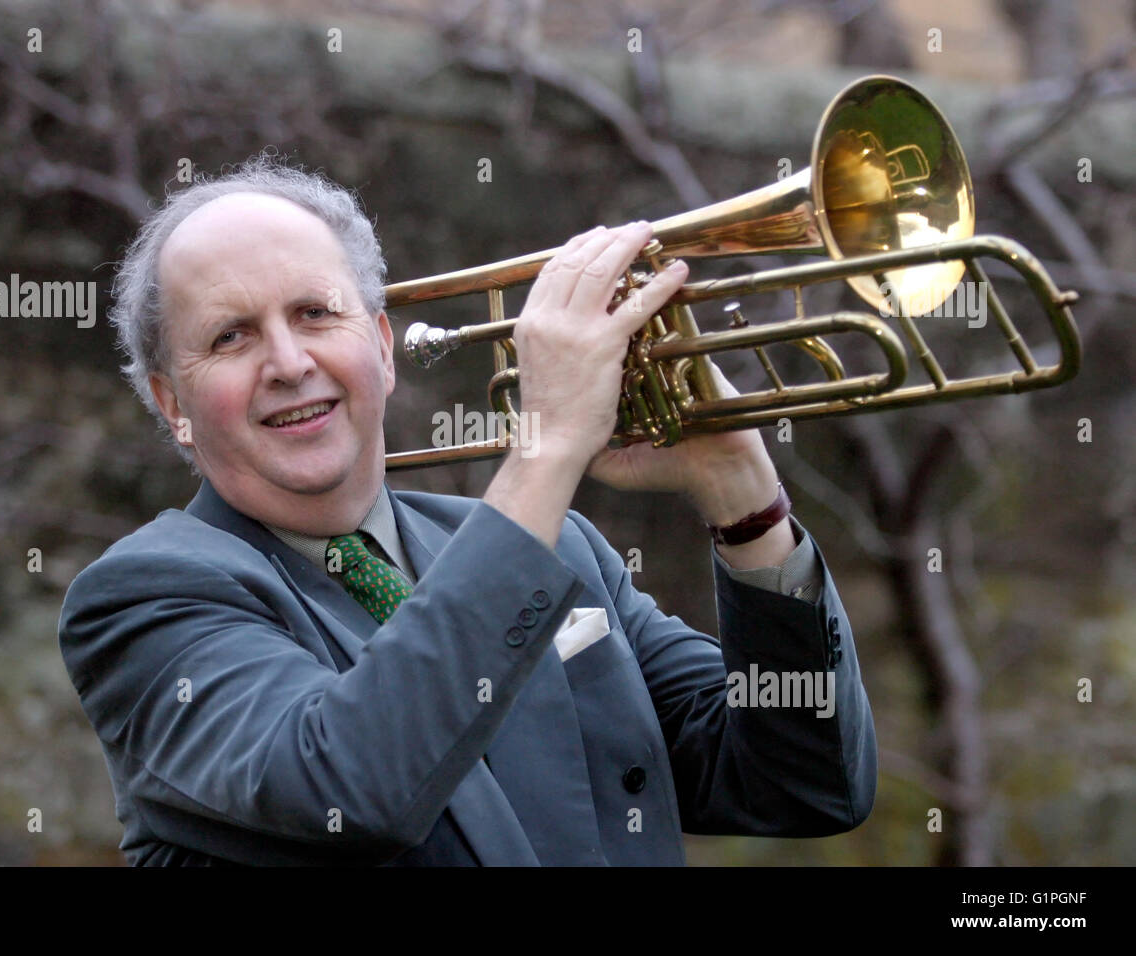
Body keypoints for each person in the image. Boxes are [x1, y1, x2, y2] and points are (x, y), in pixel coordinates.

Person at [58, 154, 876, 866]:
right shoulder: (145, 599)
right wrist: (547, 449)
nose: (288, 361)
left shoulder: (564, 552)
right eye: (232, 336)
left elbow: (804, 785)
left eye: (316, 313)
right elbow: (350, 781)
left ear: (381, 347)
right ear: (173, 403)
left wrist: (742, 495)